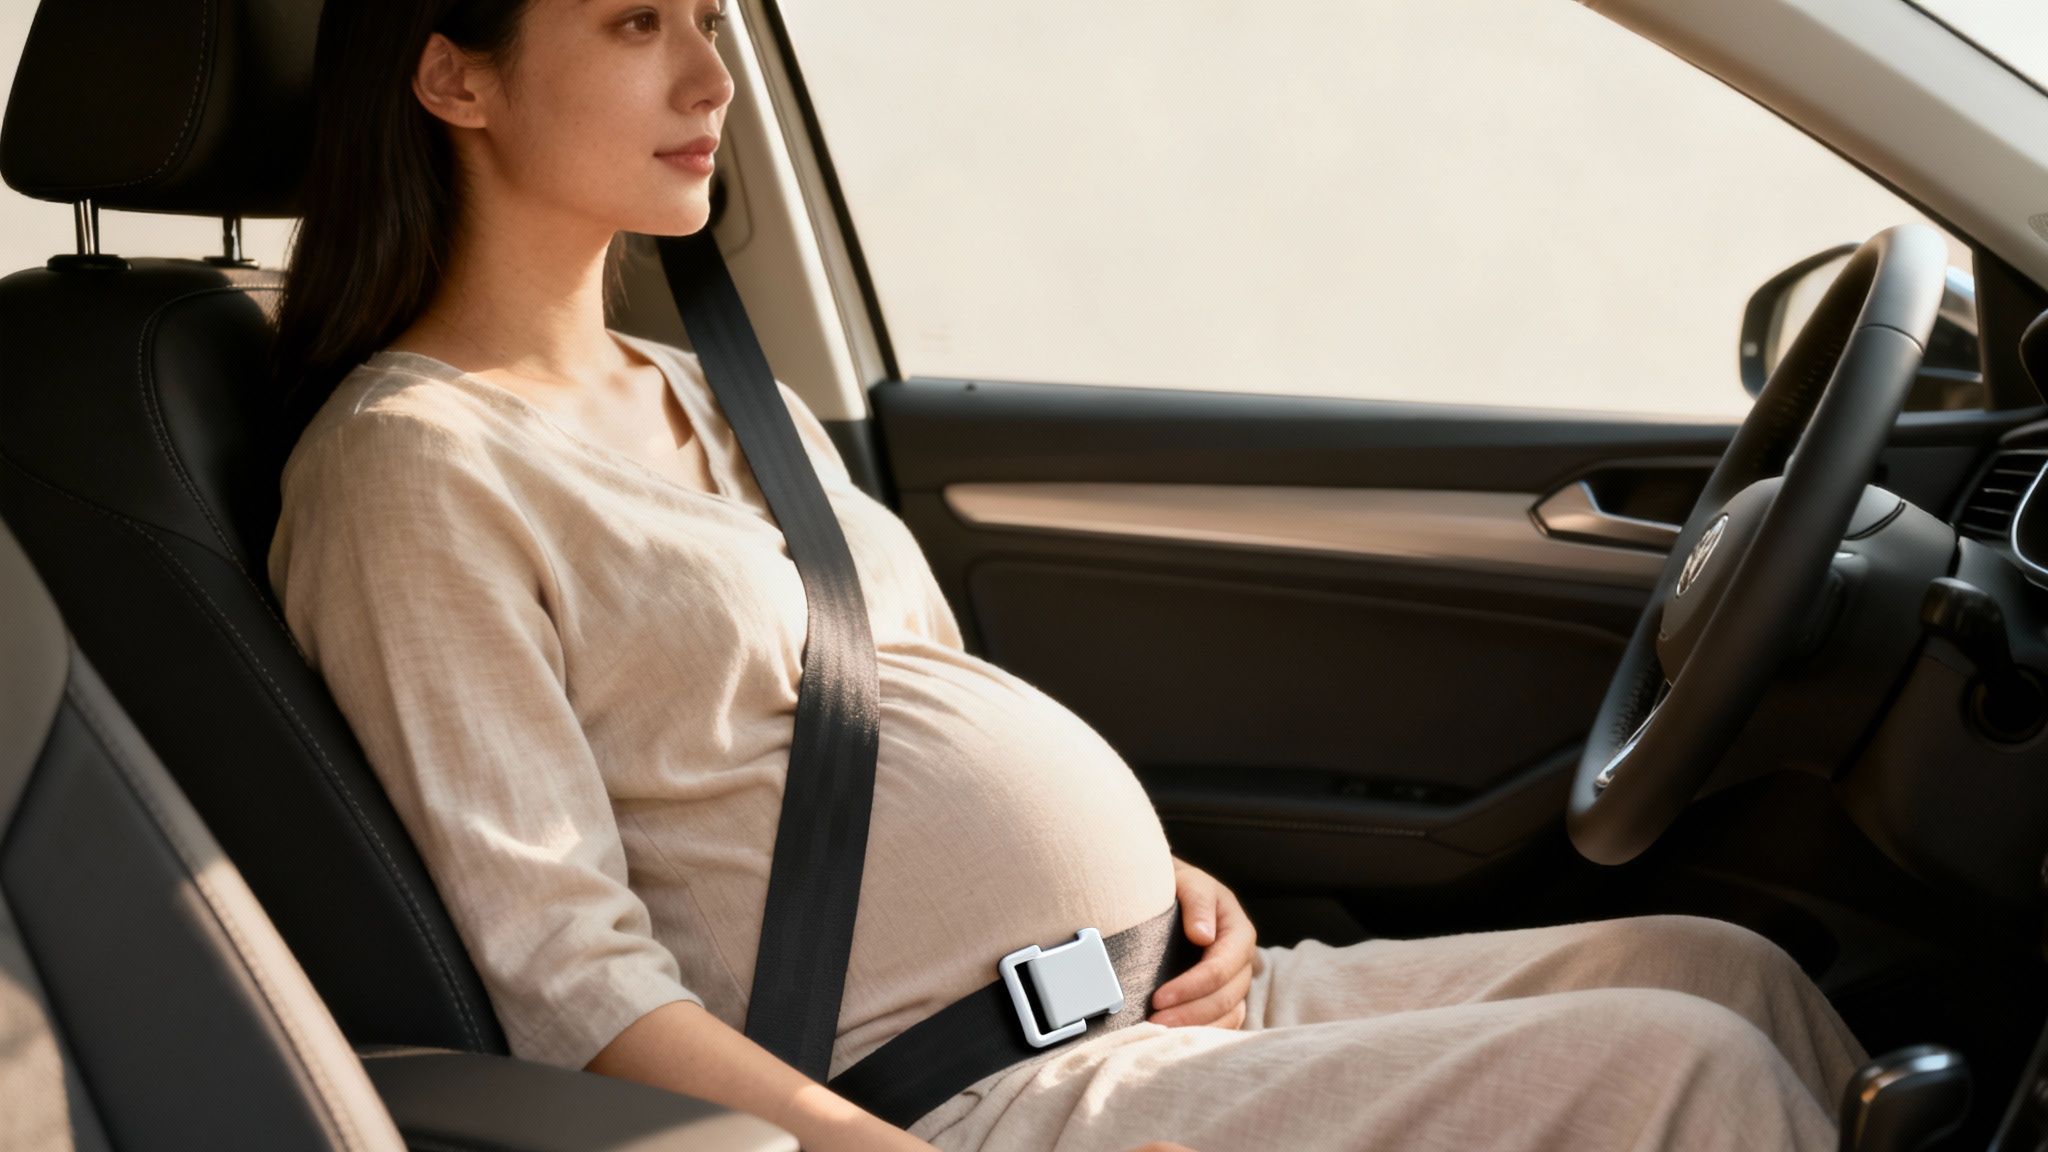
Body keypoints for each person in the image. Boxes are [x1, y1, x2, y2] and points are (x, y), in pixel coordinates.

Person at [263, 3, 1868, 1150]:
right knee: (1682, 1075)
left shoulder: (686, 386)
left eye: (708, 13)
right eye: (635, 25)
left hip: (1144, 1001)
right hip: (957, 1102)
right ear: (454, 77)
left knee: (1725, 972)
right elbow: (560, 982)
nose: (714, 68)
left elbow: (921, 709)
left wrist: (1160, 892)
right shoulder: (414, 472)